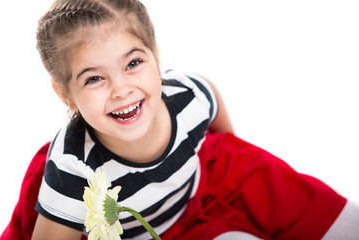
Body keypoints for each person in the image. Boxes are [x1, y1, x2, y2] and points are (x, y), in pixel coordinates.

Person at [25, 0, 357, 239]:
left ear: (156, 55)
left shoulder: (188, 96)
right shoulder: (72, 166)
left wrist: (231, 154)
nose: (121, 89)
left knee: (329, 218)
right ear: (65, 94)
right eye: (94, 79)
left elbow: (218, 113)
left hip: (203, 190)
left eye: (133, 64)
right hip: (148, 231)